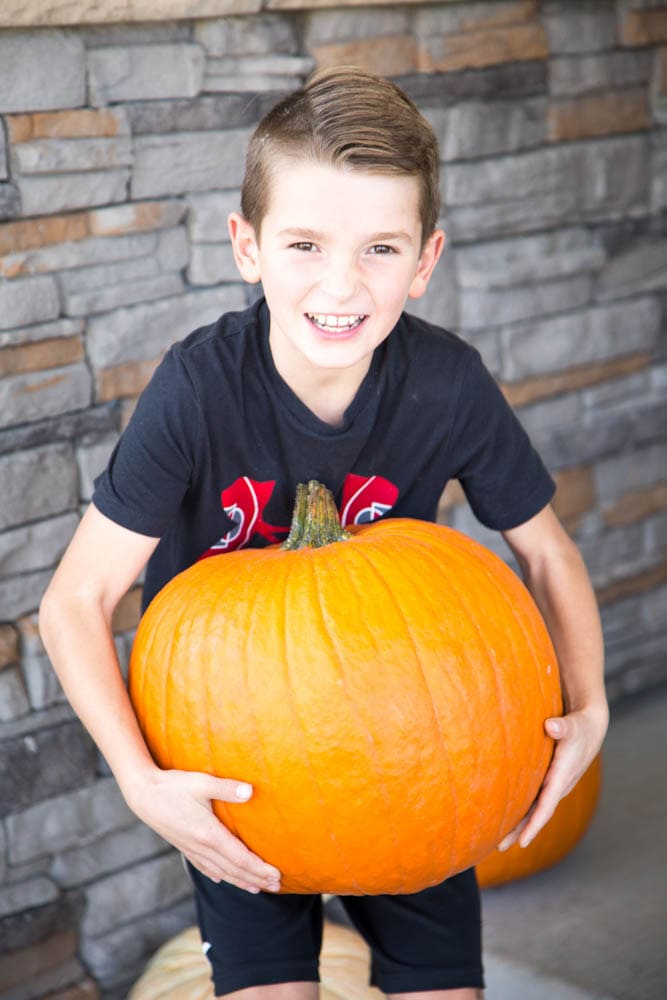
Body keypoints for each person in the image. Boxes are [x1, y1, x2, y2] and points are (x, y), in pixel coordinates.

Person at [39, 66, 608, 1000]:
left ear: (425, 260)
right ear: (247, 246)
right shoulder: (197, 390)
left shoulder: (446, 382)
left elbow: (546, 549)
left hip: (422, 744)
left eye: (379, 250)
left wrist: (588, 703)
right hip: (245, 776)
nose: (341, 285)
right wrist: (141, 782)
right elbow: (76, 601)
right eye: (305, 243)